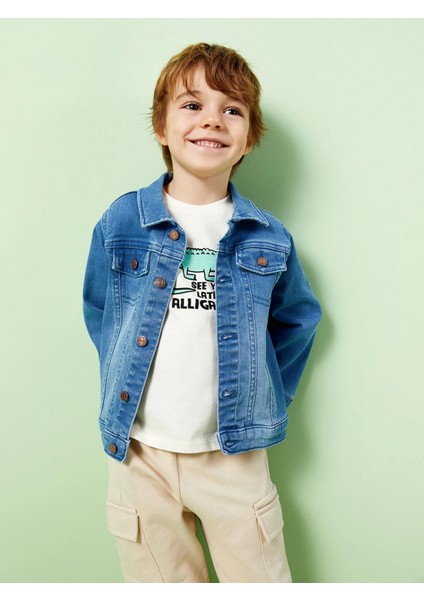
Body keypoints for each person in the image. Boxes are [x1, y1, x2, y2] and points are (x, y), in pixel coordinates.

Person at [82, 42, 322, 583]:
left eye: (231, 109)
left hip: (232, 456)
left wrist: (266, 395)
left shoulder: (267, 236)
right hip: (139, 453)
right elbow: (102, 311)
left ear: (249, 138)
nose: (212, 119)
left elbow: (297, 321)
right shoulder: (122, 221)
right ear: (162, 128)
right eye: (192, 105)